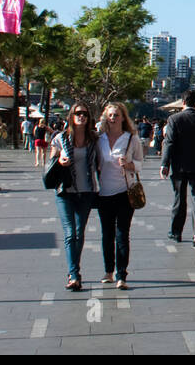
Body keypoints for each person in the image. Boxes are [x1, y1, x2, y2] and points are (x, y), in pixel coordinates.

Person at [95, 102, 144, 290]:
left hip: (125, 192)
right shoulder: (100, 139)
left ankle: (121, 274)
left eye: (116, 115)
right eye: (110, 115)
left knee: (122, 234)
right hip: (104, 192)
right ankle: (108, 271)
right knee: (106, 234)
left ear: (123, 117)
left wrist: (130, 165)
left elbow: (140, 163)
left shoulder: (131, 139)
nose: (113, 118)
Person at [51, 105, 99, 291]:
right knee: (70, 233)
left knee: (79, 233)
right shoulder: (60, 138)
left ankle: (75, 271)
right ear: (71, 116)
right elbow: (51, 161)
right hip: (65, 191)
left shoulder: (93, 139)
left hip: (86, 191)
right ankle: (74, 273)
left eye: (85, 114)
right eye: (78, 113)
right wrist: (60, 160)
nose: (81, 116)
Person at [160, 90, 195, 246]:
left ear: (182, 102)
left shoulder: (174, 119)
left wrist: (165, 164)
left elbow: (169, 143)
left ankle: (176, 232)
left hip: (180, 166)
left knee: (179, 199)